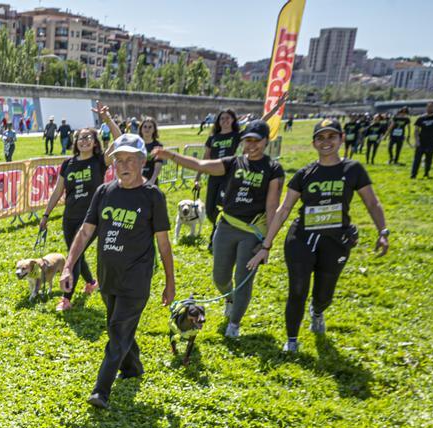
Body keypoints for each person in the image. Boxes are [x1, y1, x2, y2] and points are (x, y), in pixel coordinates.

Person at [246, 119, 389, 352]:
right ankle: (291, 340)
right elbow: (283, 210)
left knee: (324, 293)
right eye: (321, 138)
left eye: (331, 137)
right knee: (298, 289)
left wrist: (382, 231)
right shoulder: (305, 173)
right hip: (301, 239)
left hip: (335, 241)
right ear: (314, 143)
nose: (326, 142)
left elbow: (372, 202)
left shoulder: (352, 170)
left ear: (341, 139)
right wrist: (266, 244)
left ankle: (318, 310)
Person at [61, 133, 174, 410]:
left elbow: (163, 243)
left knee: (117, 330)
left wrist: (170, 282)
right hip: (108, 277)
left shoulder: (152, 197)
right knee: (120, 328)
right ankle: (133, 367)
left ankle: (101, 390)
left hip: (136, 279)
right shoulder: (104, 192)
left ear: (142, 161)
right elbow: (86, 230)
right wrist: (67, 265)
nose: (123, 165)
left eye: (129, 160)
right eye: (118, 160)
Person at [155, 119, 284, 339]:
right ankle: (229, 298)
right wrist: (172, 156)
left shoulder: (273, 169)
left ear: (266, 141)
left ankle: (234, 323)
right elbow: (201, 166)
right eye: (247, 141)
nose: (251, 146)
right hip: (227, 226)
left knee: (244, 279)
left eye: (256, 141)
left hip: (252, 232)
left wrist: (267, 245)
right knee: (220, 277)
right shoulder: (233, 162)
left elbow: (272, 207)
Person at [38, 103, 119, 311]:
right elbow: (58, 191)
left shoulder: (100, 161)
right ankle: (91, 283)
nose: (84, 141)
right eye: (81, 137)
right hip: (70, 217)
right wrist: (46, 215)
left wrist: (107, 119)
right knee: (76, 254)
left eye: (88, 137)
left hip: (92, 219)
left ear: (95, 142)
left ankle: (66, 298)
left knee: (74, 256)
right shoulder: (68, 164)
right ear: (76, 141)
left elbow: (120, 140)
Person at [201, 109, 241, 233]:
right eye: (222, 118)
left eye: (228, 118)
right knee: (209, 208)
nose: (225, 121)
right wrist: (198, 177)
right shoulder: (213, 137)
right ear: (218, 121)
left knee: (221, 205)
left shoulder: (236, 136)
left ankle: (216, 233)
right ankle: (216, 228)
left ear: (233, 120)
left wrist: (275, 109)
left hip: (228, 176)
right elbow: (205, 158)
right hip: (213, 175)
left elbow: (258, 124)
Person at [412, 102, 433, 179]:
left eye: (432, 107)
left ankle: (426, 173)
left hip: (432, 141)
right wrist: (417, 140)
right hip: (421, 141)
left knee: (429, 158)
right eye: (429, 107)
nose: (430, 108)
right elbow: (416, 130)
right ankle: (413, 175)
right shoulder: (421, 118)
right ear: (426, 108)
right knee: (417, 159)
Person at [138, 117, 164, 186]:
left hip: (151, 180)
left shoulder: (158, 145)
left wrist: (152, 180)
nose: (147, 129)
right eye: (145, 127)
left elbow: (158, 165)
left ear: (154, 130)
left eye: (150, 127)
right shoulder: (136, 144)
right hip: (136, 181)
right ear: (141, 129)